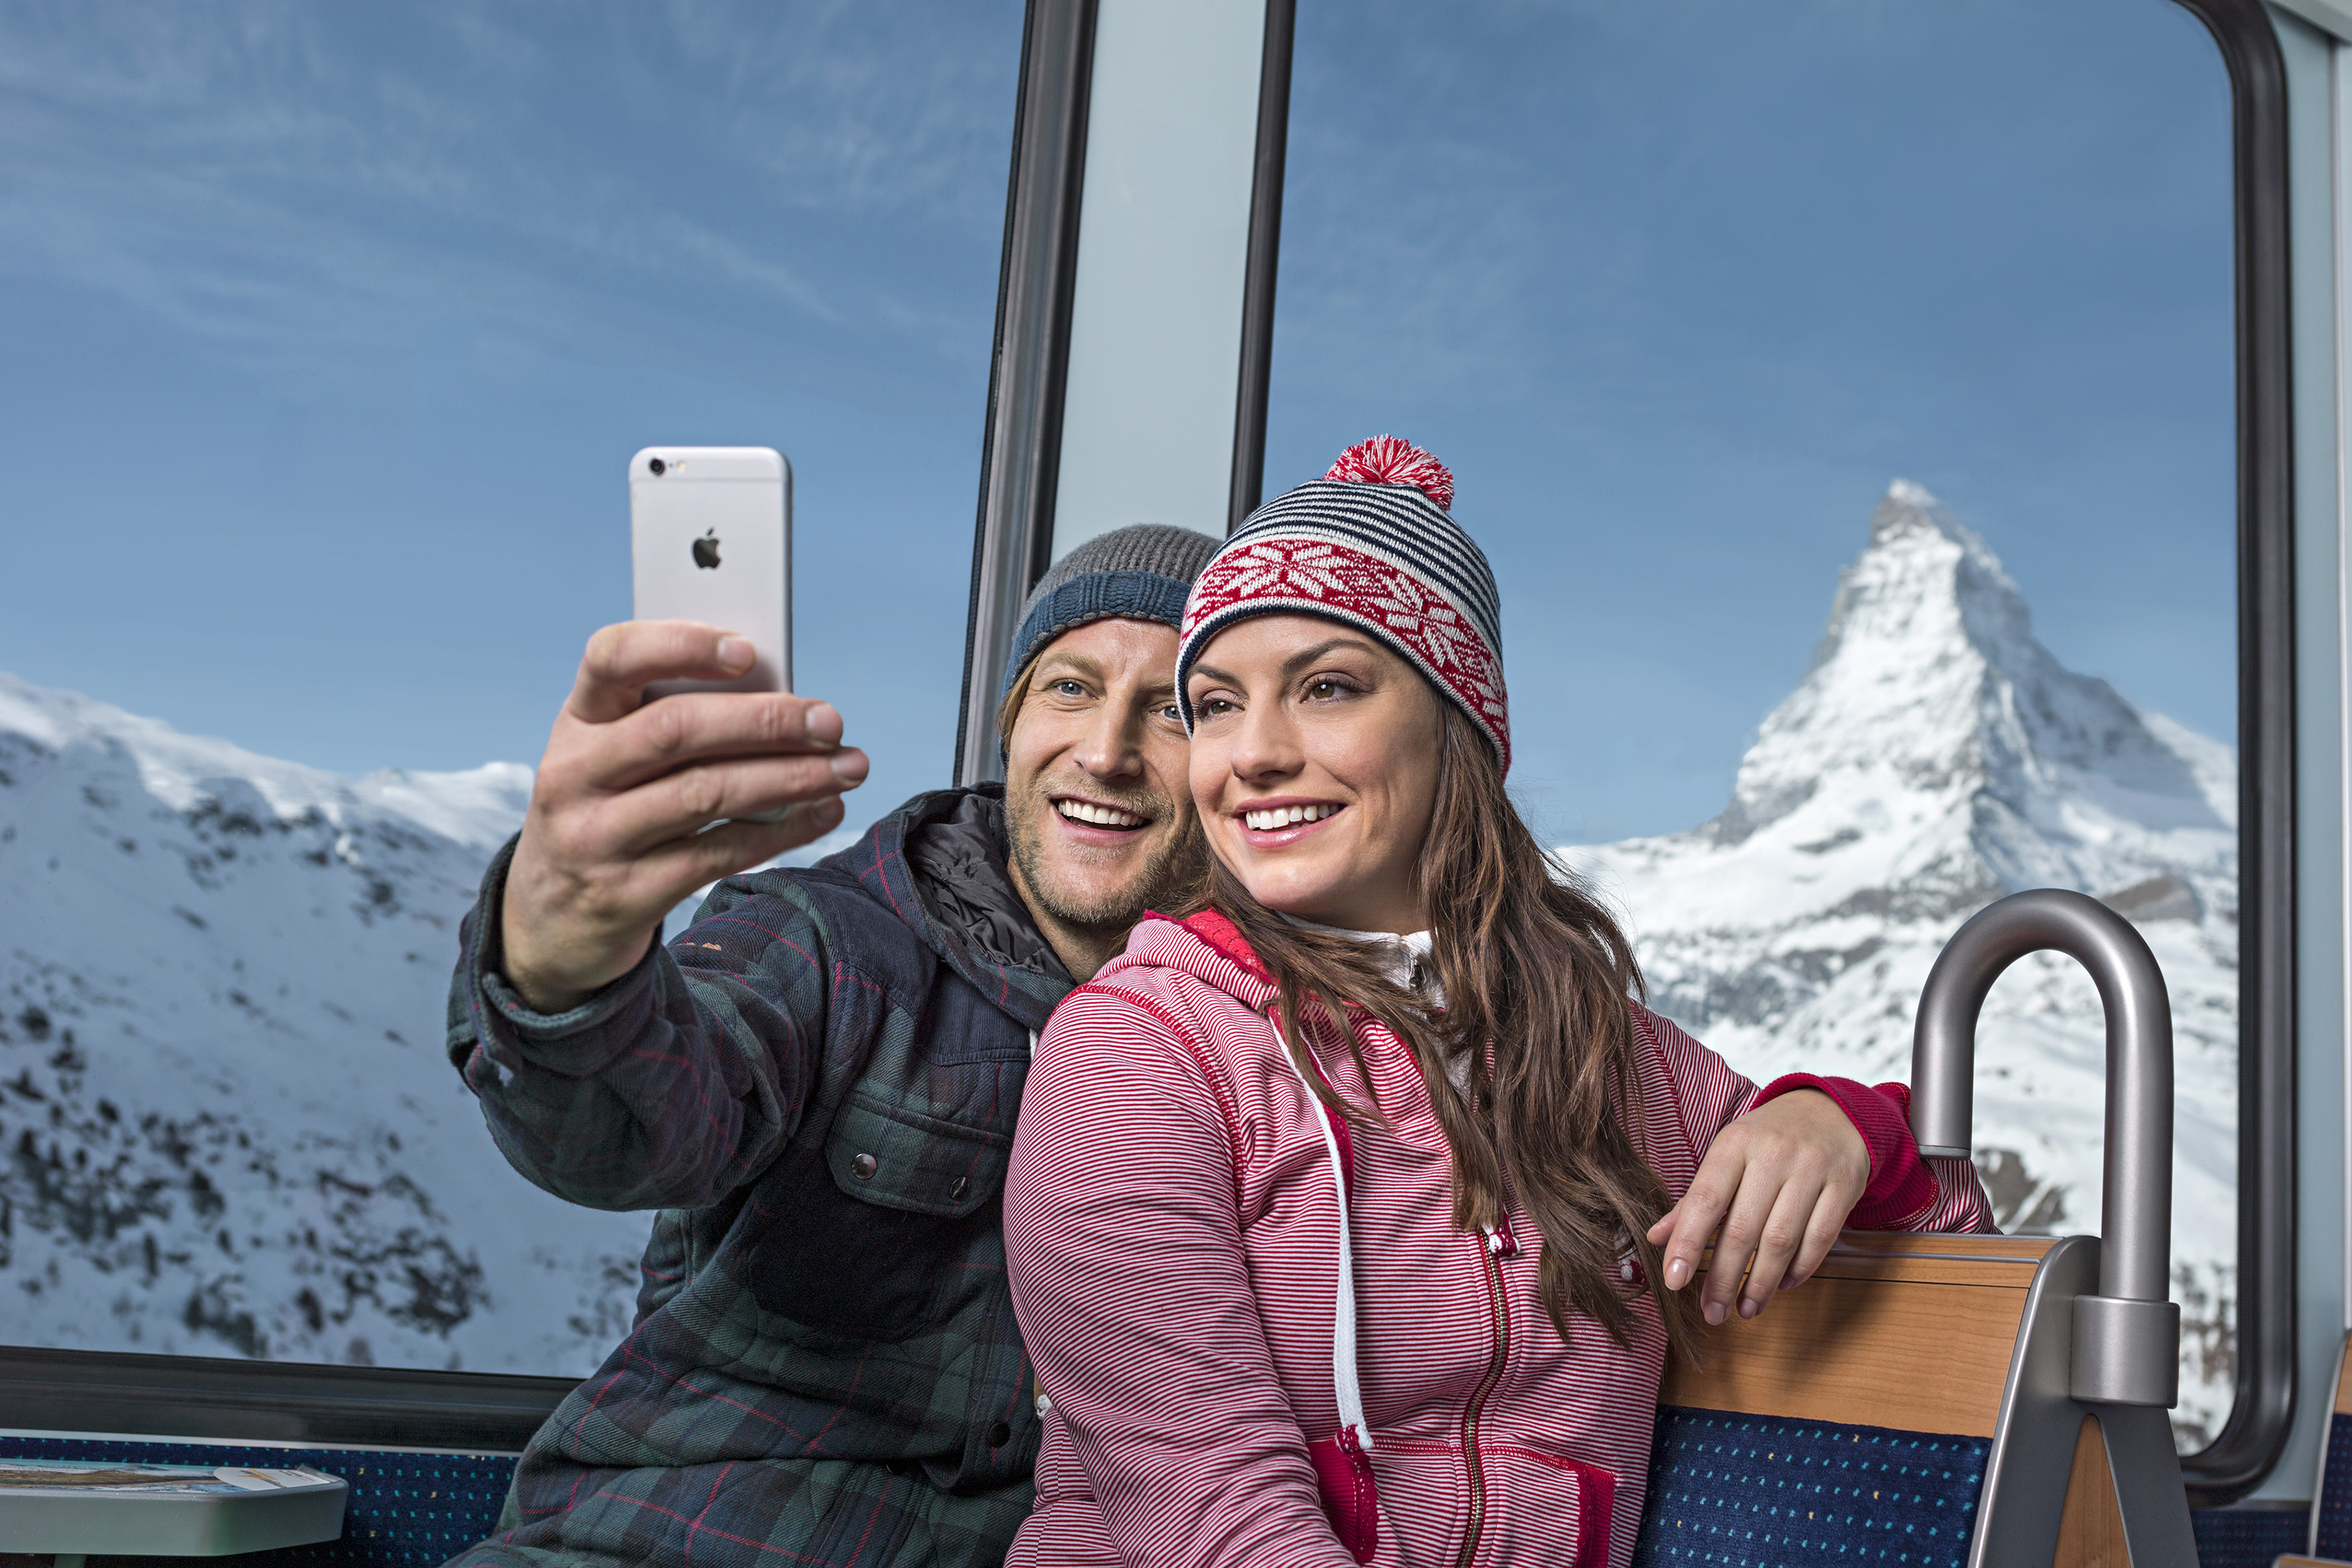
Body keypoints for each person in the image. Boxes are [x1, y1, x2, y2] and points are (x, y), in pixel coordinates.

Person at [1001, 438, 1996, 1568]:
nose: (1256, 754)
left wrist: (1839, 1127)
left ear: (1456, 725)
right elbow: (1207, 1513)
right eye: (1219, 706)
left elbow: (1962, 1244)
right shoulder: (1138, 1050)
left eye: (1326, 688)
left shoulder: (1609, 1060)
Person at [441, 522, 1221, 1568]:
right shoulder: (828, 940)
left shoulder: (1260, 1036)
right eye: (1069, 688)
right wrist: (559, 958)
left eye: (1171, 708)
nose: (1107, 750)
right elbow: (632, 1118)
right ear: (1013, 722)